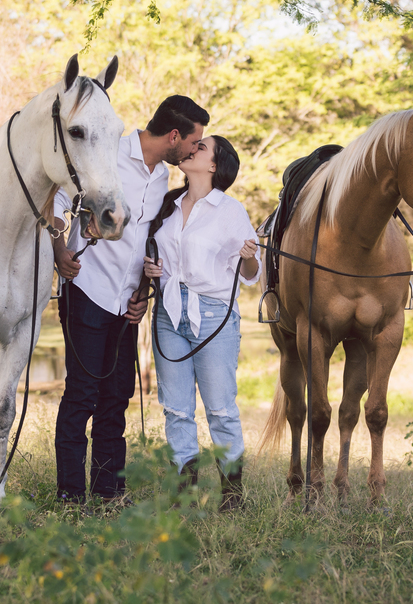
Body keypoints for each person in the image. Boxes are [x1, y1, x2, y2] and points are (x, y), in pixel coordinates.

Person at [52, 95, 210, 504]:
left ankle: (108, 492)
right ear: (174, 135)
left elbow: (144, 241)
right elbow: (55, 201)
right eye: (194, 142)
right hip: (87, 289)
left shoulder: (162, 178)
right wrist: (58, 250)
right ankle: (70, 495)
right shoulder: (108, 152)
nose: (195, 150)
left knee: (116, 398)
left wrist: (141, 292)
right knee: (81, 394)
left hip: (127, 305)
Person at [142, 135, 260, 511]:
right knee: (176, 408)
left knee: (220, 408)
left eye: (202, 147)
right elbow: (154, 251)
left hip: (212, 315)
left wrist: (248, 256)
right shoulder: (168, 204)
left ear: (214, 165)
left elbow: (251, 273)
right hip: (168, 311)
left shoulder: (230, 211)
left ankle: (232, 494)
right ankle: (185, 494)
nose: (192, 149)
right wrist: (153, 269)